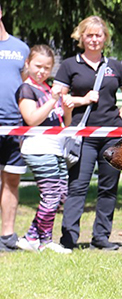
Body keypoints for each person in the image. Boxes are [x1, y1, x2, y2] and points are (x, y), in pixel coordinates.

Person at [52, 15, 122, 251]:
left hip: (112, 136)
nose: (93, 39)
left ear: (105, 38)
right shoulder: (69, 65)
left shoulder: (115, 66)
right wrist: (83, 100)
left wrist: (119, 118)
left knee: (108, 188)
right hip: (83, 136)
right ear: (81, 37)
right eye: (89, 35)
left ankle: (101, 237)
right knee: (78, 186)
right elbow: (61, 98)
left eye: (98, 35)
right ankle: (68, 239)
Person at [15, 45, 73, 254]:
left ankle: (31, 237)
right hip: (37, 147)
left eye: (47, 68)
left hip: (56, 147)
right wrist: (53, 101)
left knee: (61, 194)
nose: (42, 71)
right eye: (38, 66)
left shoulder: (48, 89)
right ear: (28, 64)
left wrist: (67, 109)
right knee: (51, 195)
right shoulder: (26, 89)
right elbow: (31, 119)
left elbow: (65, 123)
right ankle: (44, 241)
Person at [0, 3, 29, 252]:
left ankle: (7, 236)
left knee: (11, 180)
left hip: (14, 126)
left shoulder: (21, 48)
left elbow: (27, 85)